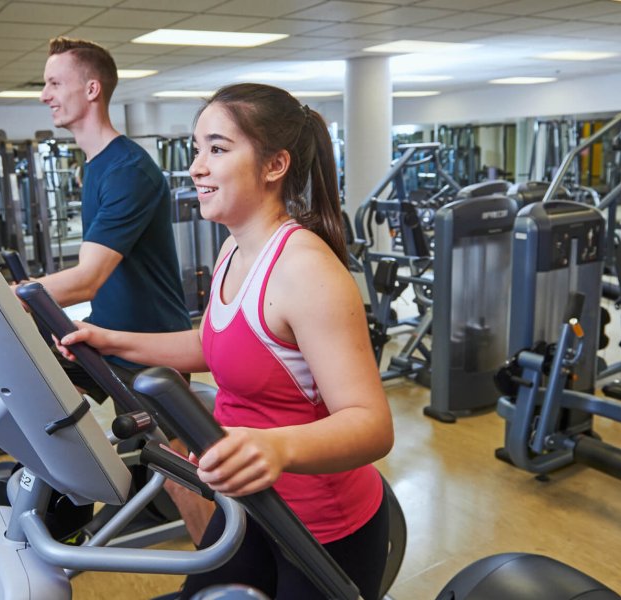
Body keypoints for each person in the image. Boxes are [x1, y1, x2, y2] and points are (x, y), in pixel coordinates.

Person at [56, 83, 394, 600]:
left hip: (323, 530)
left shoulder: (304, 268)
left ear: (274, 165)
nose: (196, 166)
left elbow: (372, 425)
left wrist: (273, 446)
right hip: (250, 508)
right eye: (197, 148)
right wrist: (110, 340)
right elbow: (216, 347)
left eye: (217, 148)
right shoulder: (235, 252)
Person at [0, 37, 213, 542]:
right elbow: (88, 277)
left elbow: (87, 276)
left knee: (184, 474)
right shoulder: (97, 165)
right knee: (36, 402)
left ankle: (223, 563)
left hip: (150, 347)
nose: (44, 94)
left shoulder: (127, 169)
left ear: (92, 88)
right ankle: (60, 511)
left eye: (54, 82)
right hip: (107, 338)